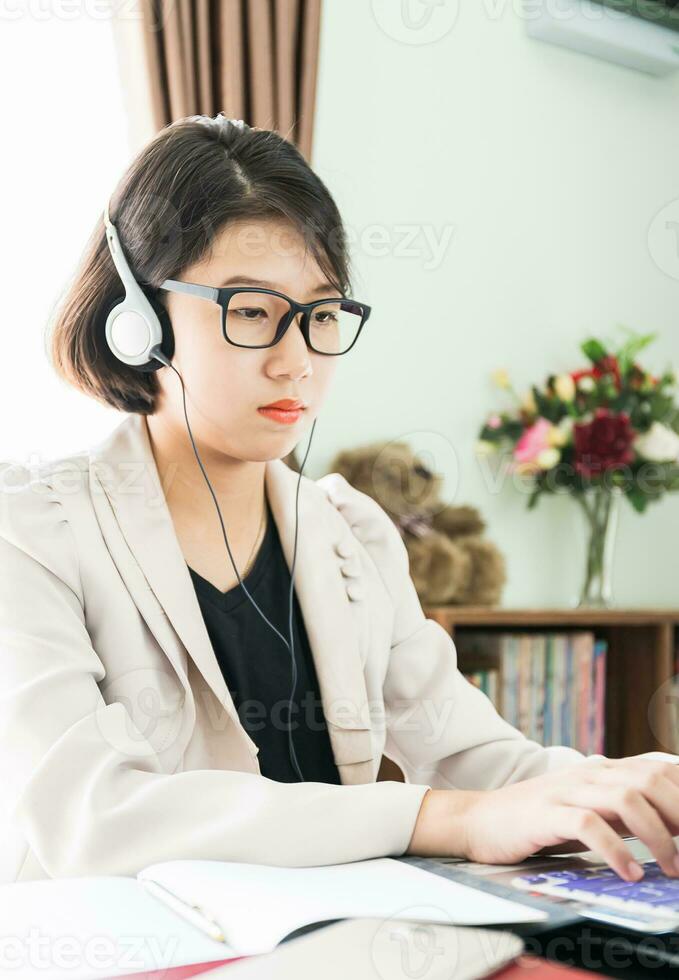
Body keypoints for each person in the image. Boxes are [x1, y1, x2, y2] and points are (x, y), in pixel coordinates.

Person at [1, 113, 678, 886]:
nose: (296, 363)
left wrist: (629, 790)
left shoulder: (350, 532)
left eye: (320, 315)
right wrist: (439, 818)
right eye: (250, 312)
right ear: (138, 319)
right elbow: (94, 818)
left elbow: (483, 763)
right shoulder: (30, 528)